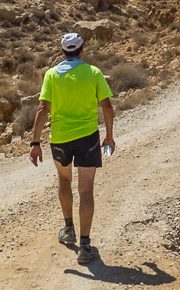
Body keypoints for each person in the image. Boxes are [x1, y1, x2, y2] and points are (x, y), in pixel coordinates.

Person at [29, 33, 116, 264]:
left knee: (64, 181)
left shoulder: (51, 75)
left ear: (61, 52)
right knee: (86, 190)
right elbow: (107, 106)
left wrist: (35, 143)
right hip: (87, 138)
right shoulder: (94, 73)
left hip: (60, 138)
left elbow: (42, 109)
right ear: (82, 50)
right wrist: (109, 136)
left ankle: (69, 230)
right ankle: (85, 247)